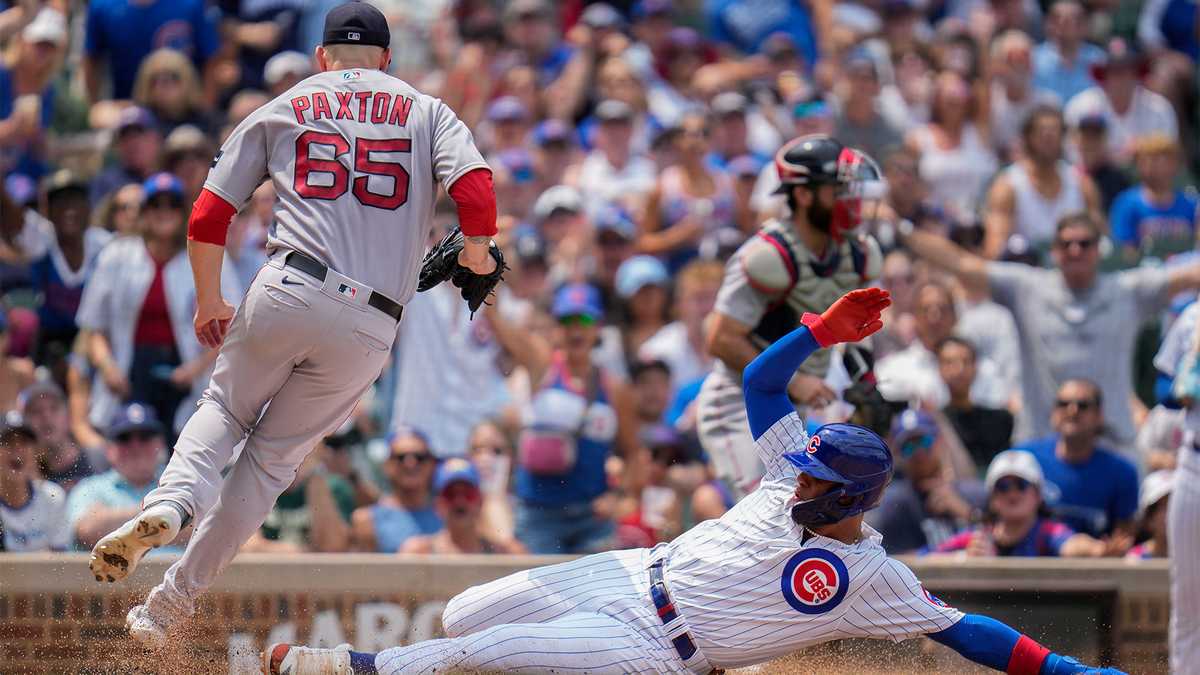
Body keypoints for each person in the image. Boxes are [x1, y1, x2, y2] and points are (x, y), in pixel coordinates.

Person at [267, 288, 1121, 675]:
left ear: (853, 499)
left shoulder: (871, 576)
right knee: (462, 613)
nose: (801, 478)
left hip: (660, 650)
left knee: (474, 654)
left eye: (820, 476)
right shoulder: (791, 467)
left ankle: (346, 667)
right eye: (809, 464)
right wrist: (818, 329)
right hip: (632, 575)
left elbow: (965, 629)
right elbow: (757, 384)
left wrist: (1069, 673)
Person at [87, 3, 501, 651]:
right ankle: (165, 607)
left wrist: (207, 299)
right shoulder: (425, 109)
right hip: (371, 324)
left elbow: (207, 214)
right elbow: (476, 191)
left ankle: (170, 503)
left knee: (224, 406)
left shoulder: (292, 101)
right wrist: (476, 253)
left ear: (323, 57)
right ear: (387, 59)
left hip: (290, 284)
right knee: (269, 466)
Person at [901, 212, 1200, 446]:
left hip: (1112, 443)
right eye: (1066, 244)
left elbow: (1188, 276)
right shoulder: (1027, 288)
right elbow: (962, 264)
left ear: (1098, 250)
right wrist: (900, 228)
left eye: (1084, 243)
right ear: (1054, 251)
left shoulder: (1127, 290)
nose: (1075, 250)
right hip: (1041, 442)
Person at [700, 135, 882, 498]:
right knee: (766, 508)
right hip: (739, 402)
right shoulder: (768, 254)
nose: (850, 201)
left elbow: (854, 332)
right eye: (838, 190)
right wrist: (796, 381)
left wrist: (865, 384)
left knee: (799, 512)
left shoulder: (856, 254)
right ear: (803, 195)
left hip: (793, 407)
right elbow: (720, 339)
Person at [76, 172, 241, 438]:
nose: (164, 212)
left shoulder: (209, 255)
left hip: (187, 374)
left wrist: (193, 370)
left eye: (172, 205)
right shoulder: (116, 255)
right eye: (155, 205)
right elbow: (94, 327)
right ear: (144, 212)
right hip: (129, 373)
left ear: (184, 211)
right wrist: (108, 368)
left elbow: (234, 325)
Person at [488, 283, 642, 554]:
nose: (576, 329)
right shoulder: (542, 365)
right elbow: (499, 325)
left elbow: (632, 454)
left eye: (584, 320)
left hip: (591, 517)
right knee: (540, 597)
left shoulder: (615, 388)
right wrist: (484, 270)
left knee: (595, 595)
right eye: (567, 320)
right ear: (556, 327)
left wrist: (617, 498)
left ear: (598, 327)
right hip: (538, 515)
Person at [932, 450, 1115, 558]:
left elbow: (1072, 544)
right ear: (992, 498)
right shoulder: (978, 536)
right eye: (1003, 487)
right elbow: (926, 558)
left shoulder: (1047, 532)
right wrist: (962, 558)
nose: (1012, 494)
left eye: (1021, 485)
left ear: (1038, 495)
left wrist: (1099, 550)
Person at [1018, 379, 1139, 541]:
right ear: (1053, 412)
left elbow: (1124, 535)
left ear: (1099, 415)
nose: (1072, 410)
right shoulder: (1024, 459)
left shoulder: (1122, 473)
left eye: (1083, 405)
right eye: (1063, 403)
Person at [982, 104, 1101, 258]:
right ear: (1028, 138)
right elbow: (995, 249)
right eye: (1042, 132)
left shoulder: (1082, 184)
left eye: (1054, 131)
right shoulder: (1008, 187)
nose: (1049, 137)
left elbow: (1100, 242)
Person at [875, 279, 1008, 409]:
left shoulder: (983, 371)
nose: (934, 317)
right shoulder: (892, 370)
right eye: (926, 309)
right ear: (914, 317)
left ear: (955, 316)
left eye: (942, 309)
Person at [867, 410, 987, 554]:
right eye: (909, 447)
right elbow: (896, 561)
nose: (919, 453)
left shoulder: (974, 494)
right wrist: (956, 555)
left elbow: (1002, 537)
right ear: (898, 455)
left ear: (940, 441)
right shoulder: (895, 505)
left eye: (924, 442)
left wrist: (966, 513)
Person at [67, 403, 176, 553]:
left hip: (180, 575)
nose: (135, 446)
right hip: (115, 575)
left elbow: (203, 527)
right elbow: (88, 530)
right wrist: (168, 517)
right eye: (124, 438)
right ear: (109, 449)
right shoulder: (89, 487)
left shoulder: (179, 481)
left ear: (161, 444)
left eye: (145, 436)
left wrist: (111, 519)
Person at [637, 112, 738, 273]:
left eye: (703, 133)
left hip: (724, 270)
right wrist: (678, 236)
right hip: (681, 272)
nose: (696, 141)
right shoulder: (663, 186)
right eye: (688, 134)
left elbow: (746, 230)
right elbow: (643, 242)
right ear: (676, 141)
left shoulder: (728, 183)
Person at [1064, 39, 1178, 164]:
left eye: (1128, 70)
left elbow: (1168, 155)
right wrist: (1102, 155)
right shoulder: (1080, 106)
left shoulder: (1159, 108)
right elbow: (1071, 155)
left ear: (1137, 74)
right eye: (1115, 71)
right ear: (1104, 75)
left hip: (1143, 176)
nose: (1122, 78)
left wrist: (1142, 148)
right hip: (1094, 177)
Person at [82, 0, 220, 103]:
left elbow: (211, 59)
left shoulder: (191, 5)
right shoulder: (103, 7)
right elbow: (91, 59)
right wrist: (95, 105)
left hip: (183, 109)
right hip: (129, 111)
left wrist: (205, 108)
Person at [399, 458, 525, 555]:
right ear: (438, 504)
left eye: (468, 494)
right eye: (450, 494)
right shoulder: (419, 553)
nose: (460, 502)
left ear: (480, 501)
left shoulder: (504, 554)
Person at [1109, 133, 1200, 263]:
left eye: (1161, 158)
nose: (1153, 165)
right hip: (1145, 275)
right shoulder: (1126, 203)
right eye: (1147, 158)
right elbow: (1125, 252)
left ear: (1175, 164)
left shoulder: (1191, 203)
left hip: (1185, 273)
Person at [349, 428, 441, 554]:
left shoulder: (450, 515)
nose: (410, 463)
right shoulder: (367, 520)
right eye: (401, 457)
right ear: (387, 465)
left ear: (432, 464)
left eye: (419, 457)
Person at [938, 337, 1014, 469]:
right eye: (950, 362)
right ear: (939, 368)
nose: (959, 369)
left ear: (975, 367)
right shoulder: (935, 423)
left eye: (965, 362)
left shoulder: (1001, 420)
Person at [0, 411, 69, 552]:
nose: (17, 449)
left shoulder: (53, 497)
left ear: (36, 452)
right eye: (7, 442)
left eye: (24, 443)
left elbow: (59, 564)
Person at [20, 381, 96, 492]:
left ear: (69, 416)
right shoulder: (21, 476)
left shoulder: (98, 460)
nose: (46, 416)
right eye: (36, 411)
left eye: (54, 408)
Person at [1031, 0, 1104, 103]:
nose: (1063, 24)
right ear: (1047, 24)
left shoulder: (1098, 59)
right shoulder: (1033, 59)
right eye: (1057, 19)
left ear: (1085, 25)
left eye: (1074, 20)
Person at [1126, 470, 1172, 559]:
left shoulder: (1194, 556)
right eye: (1162, 506)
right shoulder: (1134, 558)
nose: (1170, 513)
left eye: (1174, 505)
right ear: (1148, 517)